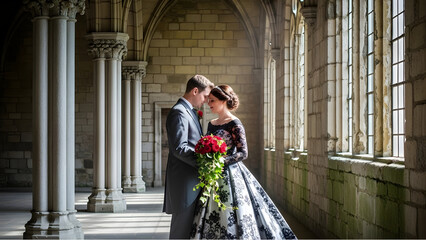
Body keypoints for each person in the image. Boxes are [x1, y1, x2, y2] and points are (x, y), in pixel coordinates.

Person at [190, 85, 297, 239]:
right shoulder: (211, 123)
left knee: (233, 211)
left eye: (212, 100)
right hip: (213, 175)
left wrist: (220, 161)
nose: (209, 103)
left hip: (231, 174)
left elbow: (243, 153)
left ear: (223, 100)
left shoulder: (235, 123)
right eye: (208, 101)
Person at [163, 75, 214, 239]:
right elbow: (179, 147)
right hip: (183, 182)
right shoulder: (179, 113)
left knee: (188, 230)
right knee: (181, 231)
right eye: (205, 96)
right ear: (195, 91)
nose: (206, 101)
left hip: (191, 178)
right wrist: (205, 163)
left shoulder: (188, 112)